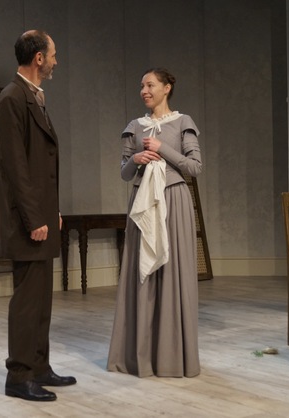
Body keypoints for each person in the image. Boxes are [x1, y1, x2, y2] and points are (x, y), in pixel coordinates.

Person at [0, 30, 76, 402]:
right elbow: (15, 167)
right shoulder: (12, 98)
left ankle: (39, 367)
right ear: (38, 57)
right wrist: (33, 218)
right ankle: (19, 375)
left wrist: (51, 210)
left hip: (40, 214)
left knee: (42, 298)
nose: (56, 61)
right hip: (26, 220)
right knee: (27, 301)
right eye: (53, 54)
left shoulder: (33, 97)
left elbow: (41, 167)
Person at [107, 68, 202, 378]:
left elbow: (195, 167)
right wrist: (135, 159)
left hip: (174, 200)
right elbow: (124, 173)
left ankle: (172, 357)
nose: (144, 91)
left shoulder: (183, 122)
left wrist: (163, 149)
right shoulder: (135, 127)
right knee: (142, 274)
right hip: (143, 203)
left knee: (174, 272)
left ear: (166, 88)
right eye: (142, 86)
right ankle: (140, 357)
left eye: (150, 85)